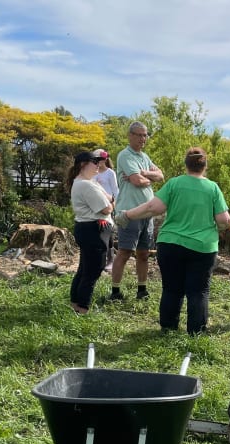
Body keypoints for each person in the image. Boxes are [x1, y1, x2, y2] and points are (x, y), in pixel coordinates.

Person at [121, 147, 230, 334]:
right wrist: (218, 228)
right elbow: (224, 220)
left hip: (170, 244)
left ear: (186, 165)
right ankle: (196, 333)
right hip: (202, 247)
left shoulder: (174, 184)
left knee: (172, 289)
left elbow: (152, 208)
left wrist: (127, 215)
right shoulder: (212, 188)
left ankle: (168, 328)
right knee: (198, 291)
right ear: (205, 166)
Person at [111, 121, 164, 301]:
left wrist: (143, 173)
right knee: (125, 252)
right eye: (139, 135)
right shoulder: (125, 155)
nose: (143, 139)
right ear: (130, 135)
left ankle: (142, 290)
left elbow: (161, 175)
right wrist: (148, 177)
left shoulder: (144, 156)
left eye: (145, 135)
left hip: (147, 213)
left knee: (144, 253)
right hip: (130, 211)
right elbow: (137, 182)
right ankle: (115, 291)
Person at [66, 151, 114, 315]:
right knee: (93, 270)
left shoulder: (85, 182)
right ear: (83, 165)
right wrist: (109, 203)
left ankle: (75, 304)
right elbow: (107, 207)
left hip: (88, 228)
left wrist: (108, 200)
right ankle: (83, 308)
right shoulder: (86, 185)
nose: (98, 165)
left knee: (85, 269)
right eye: (94, 162)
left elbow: (110, 198)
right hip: (94, 229)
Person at [92, 148, 119, 270]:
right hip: (94, 206)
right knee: (95, 231)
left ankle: (110, 260)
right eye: (98, 159)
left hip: (108, 206)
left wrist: (116, 206)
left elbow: (115, 191)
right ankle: (97, 259)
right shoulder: (93, 173)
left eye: (102, 158)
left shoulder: (110, 173)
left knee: (108, 232)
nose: (101, 161)